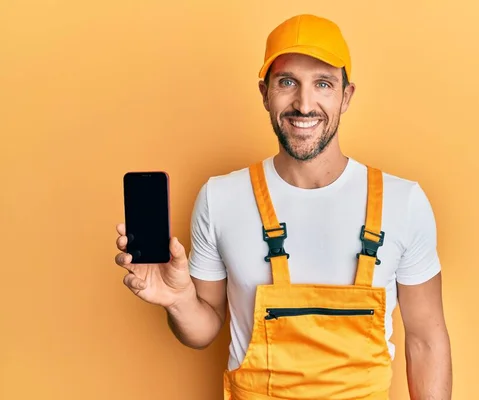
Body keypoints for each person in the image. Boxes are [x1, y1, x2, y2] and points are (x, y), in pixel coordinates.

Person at [114, 13, 452, 400]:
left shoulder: (402, 202)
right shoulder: (220, 198)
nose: (304, 104)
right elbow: (203, 331)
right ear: (264, 93)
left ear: (346, 95)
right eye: (287, 82)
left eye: (323, 84)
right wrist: (178, 301)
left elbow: (426, 340)